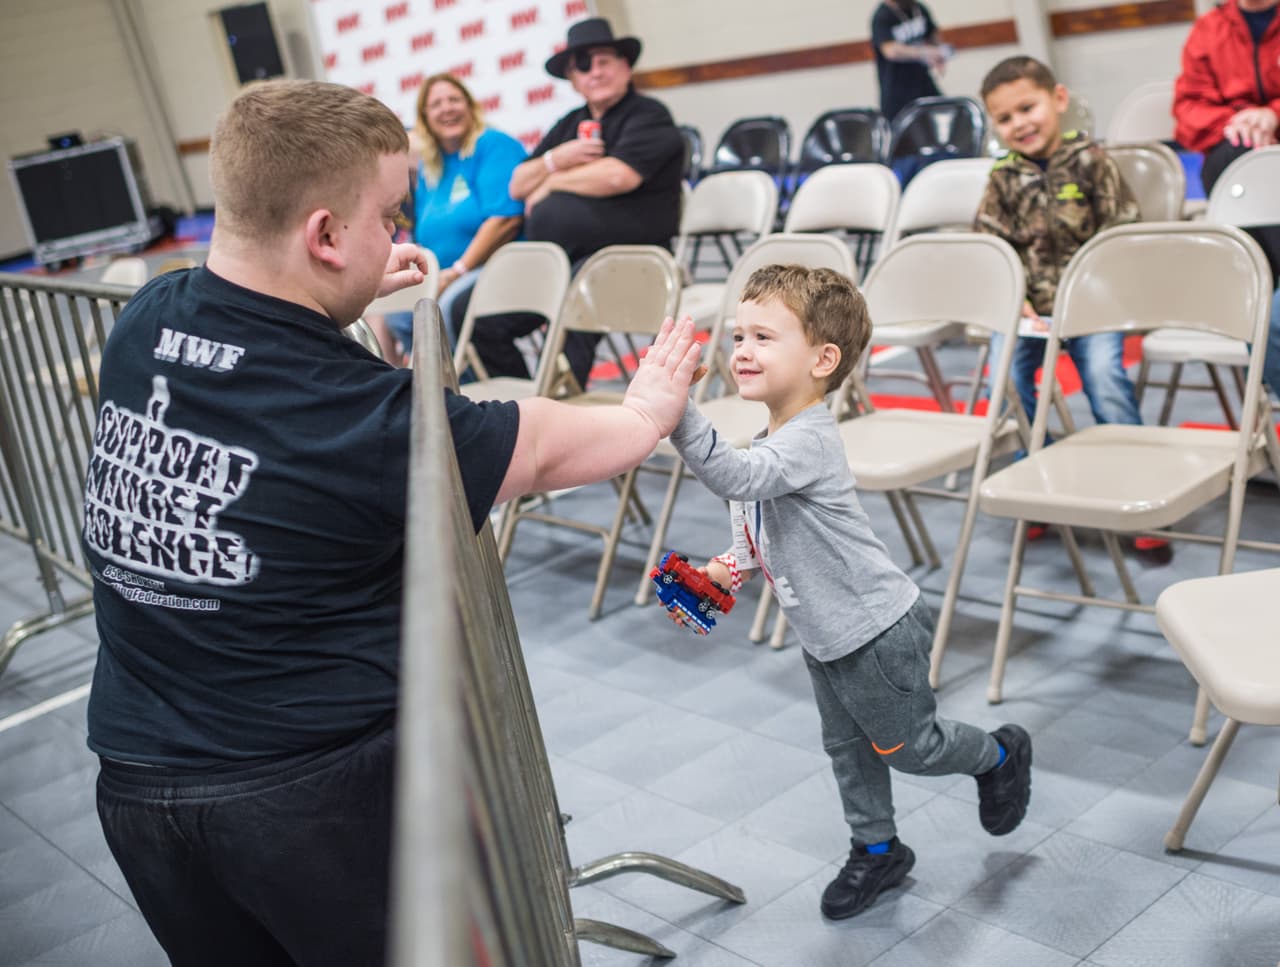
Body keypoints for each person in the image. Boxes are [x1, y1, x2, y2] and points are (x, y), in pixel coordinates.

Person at [81, 79, 702, 967]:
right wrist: (644, 416)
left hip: (139, 785)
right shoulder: (361, 417)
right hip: (306, 797)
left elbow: (255, 359)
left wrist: (360, 293)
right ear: (325, 235)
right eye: (388, 216)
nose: (400, 235)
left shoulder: (145, 319)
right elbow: (534, 445)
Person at [665, 264, 1032, 921]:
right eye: (739, 335)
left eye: (764, 337)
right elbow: (754, 528)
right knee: (847, 749)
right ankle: (878, 847)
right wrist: (726, 568)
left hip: (875, 632)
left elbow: (736, 477)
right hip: (825, 637)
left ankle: (1000, 753)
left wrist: (677, 411)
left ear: (822, 358)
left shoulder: (809, 437)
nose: (741, 349)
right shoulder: (771, 436)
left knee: (913, 749)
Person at [975, 56, 1171, 554]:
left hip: (1094, 307)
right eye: (1004, 117)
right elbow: (990, 247)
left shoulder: (1092, 162)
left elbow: (1123, 232)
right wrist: (1013, 297)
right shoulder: (1001, 179)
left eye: (1027, 107)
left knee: (1105, 376)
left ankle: (1140, 487)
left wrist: (1094, 294)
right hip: (1030, 312)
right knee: (1003, 376)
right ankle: (1035, 474)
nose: (1019, 123)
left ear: (1057, 100)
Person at [469, 16, 684, 388]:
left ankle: (564, 397)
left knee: (580, 291)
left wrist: (552, 182)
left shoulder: (648, 115)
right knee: (477, 318)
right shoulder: (570, 124)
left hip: (630, 262)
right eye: (583, 66)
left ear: (624, 66)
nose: (595, 72)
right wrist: (555, 159)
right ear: (572, 78)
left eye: (604, 61)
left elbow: (620, 175)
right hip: (557, 264)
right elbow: (518, 185)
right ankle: (529, 403)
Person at [371, 72, 525, 362]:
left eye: (454, 99)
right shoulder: (432, 168)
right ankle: (438, 391)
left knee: (444, 311)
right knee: (399, 316)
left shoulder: (491, 144)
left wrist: (458, 270)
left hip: (493, 267)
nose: (447, 108)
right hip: (445, 274)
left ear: (470, 106)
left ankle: (464, 392)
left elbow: (504, 220)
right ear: (425, 118)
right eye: (436, 104)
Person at [1174, 0, 1280, 398]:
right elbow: (1187, 111)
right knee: (1233, 159)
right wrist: (1239, 123)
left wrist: (1273, 114)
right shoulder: (1209, 30)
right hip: (1237, 157)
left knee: (1262, 308)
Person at [870, 0, 953, 122]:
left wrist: (939, 54)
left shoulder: (918, 9)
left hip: (923, 83)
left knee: (945, 116)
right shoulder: (882, 17)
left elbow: (933, 36)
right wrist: (925, 52)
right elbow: (890, 51)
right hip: (896, 93)